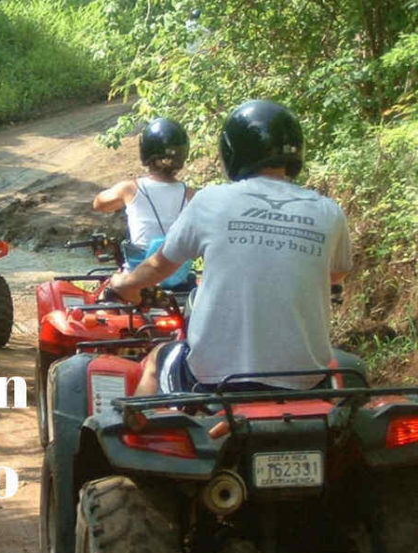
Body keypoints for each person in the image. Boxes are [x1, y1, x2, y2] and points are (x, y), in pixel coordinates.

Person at [107, 100, 352, 394]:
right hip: (307, 380)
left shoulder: (211, 201)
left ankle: (139, 434)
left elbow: (159, 266)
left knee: (158, 359)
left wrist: (126, 284)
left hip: (217, 381)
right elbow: (335, 275)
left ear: (232, 152)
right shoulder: (328, 211)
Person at [93, 118, 195, 288]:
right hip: (179, 278)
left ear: (145, 152)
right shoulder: (191, 195)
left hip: (137, 279)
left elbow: (98, 204)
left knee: (107, 292)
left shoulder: (130, 189)